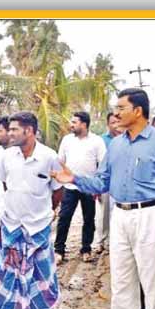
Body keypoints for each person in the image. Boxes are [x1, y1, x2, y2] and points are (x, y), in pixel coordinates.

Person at [52, 88, 155, 309]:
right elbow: (102, 182)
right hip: (120, 214)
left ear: (138, 111)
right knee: (122, 282)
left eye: (121, 108)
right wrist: (73, 178)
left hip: (151, 212)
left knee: (151, 282)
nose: (116, 113)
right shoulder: (115, 145)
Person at [0, 111, 63, 309]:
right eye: (8, 130)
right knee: (9, 277)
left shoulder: (49, 157)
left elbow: (57, 190)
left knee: (41, 277)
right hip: (11, 226)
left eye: (14, 130)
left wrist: (45, 214)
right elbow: (3, 186)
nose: (9, 134)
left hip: (38, 228)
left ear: (28, 131)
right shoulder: (7, 157)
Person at [54, 112, 107, 264]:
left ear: (84, 124)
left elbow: (102, 164)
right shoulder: (67, 140)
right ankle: (59, 250)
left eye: (74, 122)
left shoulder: (97, 141)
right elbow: (60, 161)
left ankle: (86, 249)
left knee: (89, 219)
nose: (71, 125)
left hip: (88, 186)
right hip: (69, 186)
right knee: (64, 218)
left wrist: (97, 187)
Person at [94, 112, 121, 253]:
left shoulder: (127, 139)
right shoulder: (102, 140)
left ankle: (115, 241)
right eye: (113, 123)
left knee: (118, 212)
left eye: (118, 122)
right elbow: (98, 164)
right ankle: (101, 241)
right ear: (108, 124)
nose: (116, 125)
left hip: (121, 183)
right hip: (106, 182)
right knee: (103, 213)